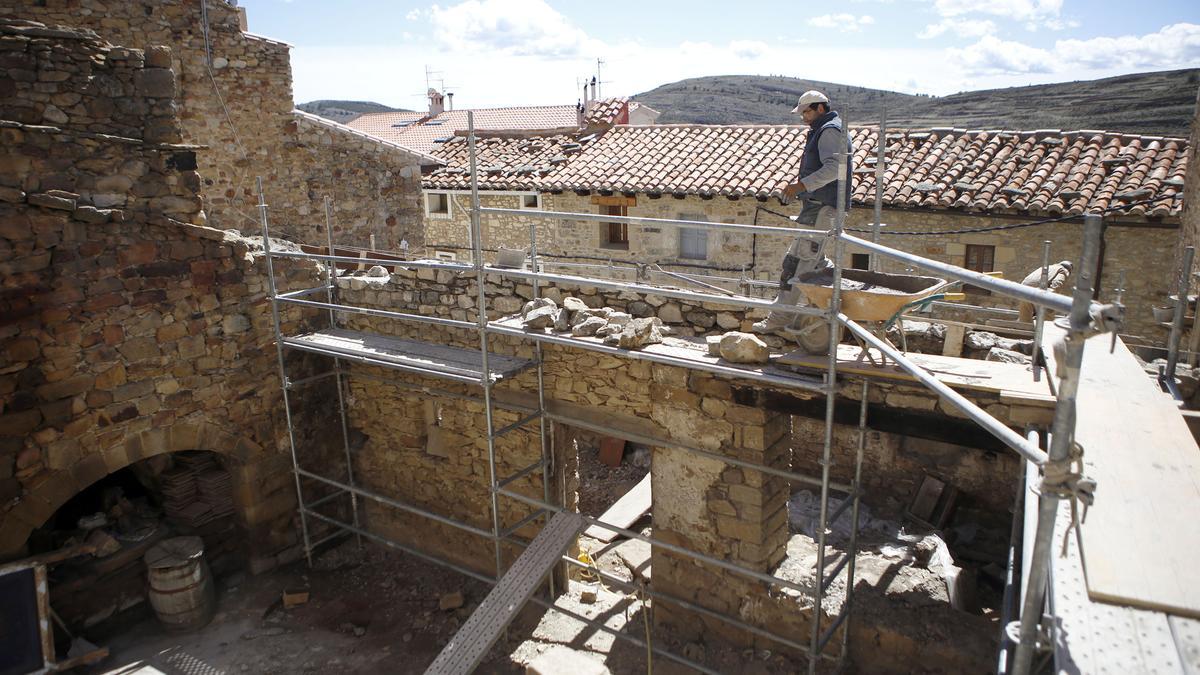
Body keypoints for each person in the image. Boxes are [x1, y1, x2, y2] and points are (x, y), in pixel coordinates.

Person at [751, 90, 853, 354]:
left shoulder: (830, 131)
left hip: (823, 208)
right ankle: (829, 285)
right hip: (816, 207)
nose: (804, 118)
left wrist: (801, 186)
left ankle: (782, 314)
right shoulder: (826, 129)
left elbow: (835, 169)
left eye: (807, 112)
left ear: (820, 108)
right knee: (805, 260)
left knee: (798, 262)